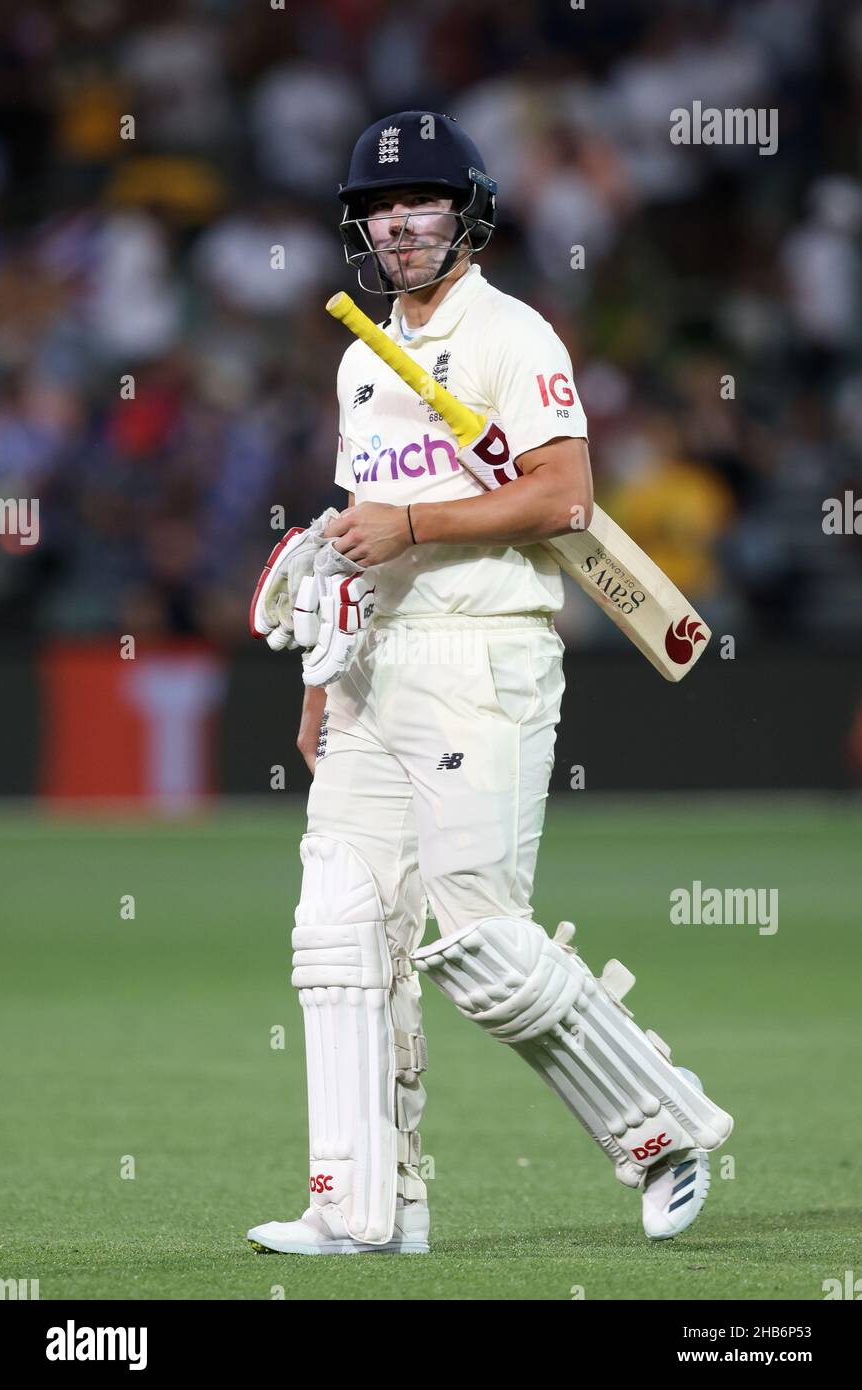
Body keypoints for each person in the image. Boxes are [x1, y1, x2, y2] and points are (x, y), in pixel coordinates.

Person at [247, 111, 732, 1255]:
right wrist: (327, 668)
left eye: (418, 200)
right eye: (378, 204)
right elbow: (363, 532)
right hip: (372, 669)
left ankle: (662, 1127)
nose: (397, 221)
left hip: (483, 657)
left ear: (464, 213)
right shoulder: (363, 362)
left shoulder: (516, 336)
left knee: (477, 942)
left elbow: (563, 500)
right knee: (338, 929)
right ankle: (363, 1206)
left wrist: (412, 518)